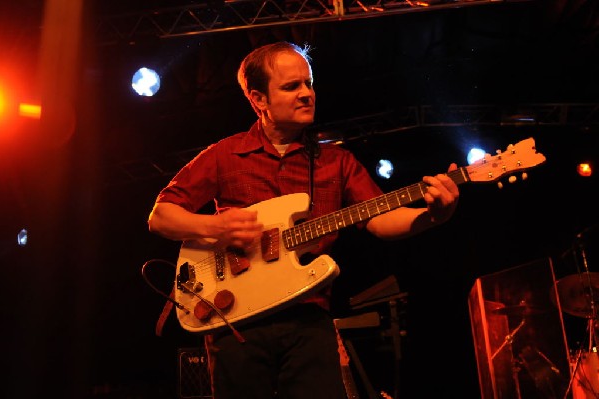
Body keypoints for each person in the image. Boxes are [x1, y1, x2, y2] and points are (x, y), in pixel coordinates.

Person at [147, 41, 460, 399]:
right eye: (291, 86)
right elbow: (161, 217)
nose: (306, 94)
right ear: (258, 99)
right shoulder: (224, 154)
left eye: (308, 84)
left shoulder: (336, 162)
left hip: (308, 319)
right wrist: (214, 226)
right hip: (237, 323)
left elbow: (380, 219)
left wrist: (434, 215)